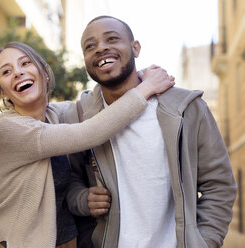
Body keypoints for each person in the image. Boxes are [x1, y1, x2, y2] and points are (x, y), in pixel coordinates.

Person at [0, 41, 174, 248]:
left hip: (66, 241)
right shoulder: (5, 128)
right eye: (6, 71)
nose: (17, 72)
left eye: (25, 63)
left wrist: (133, 77)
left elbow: (95, 103)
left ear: (45, 73)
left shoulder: (54, 115)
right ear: (2, 92)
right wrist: (147, 87)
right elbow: (90, 132)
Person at [65, 16, 237, 248]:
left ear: (135, 48)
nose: (101, 48)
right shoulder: (78, 116)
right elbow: (70, 183)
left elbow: (219, 185)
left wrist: (204, 243)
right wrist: (82, 199)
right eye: (90, 46)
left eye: (112, 39)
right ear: (85, 59)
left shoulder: (187, 108)